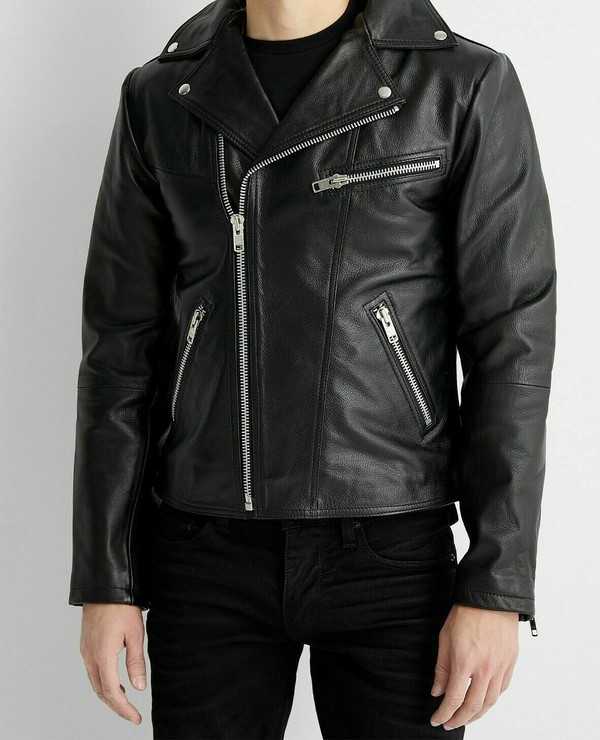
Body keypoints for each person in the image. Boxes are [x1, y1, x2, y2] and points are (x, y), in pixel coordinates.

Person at [69, 0, 556, 737]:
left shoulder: (458, 84)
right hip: (204, 550)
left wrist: (497, 584)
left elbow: (512, 342)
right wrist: (108, 578)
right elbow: (118, 351)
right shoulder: (162, 93)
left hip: (391, 547)